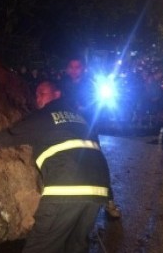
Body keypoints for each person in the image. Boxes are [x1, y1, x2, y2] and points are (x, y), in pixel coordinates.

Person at [0, 81, 111, 253]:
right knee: (76, 245)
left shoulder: (46, 115)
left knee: (40, 246)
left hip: (67, 190)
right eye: (37, 94)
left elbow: (15, 133)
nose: (38, 97)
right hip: (99, 190)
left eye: (43, 93)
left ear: (57, 94)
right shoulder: (81, 119)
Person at [59, 57, 121, 218]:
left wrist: (84, 109)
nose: (74, 70)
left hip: (88, 130)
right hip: (67, 130)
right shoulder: (61, 84)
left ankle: (109, 202)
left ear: (83, 68)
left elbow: (97, 106)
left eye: (77, 67)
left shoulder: (91, 86)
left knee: (97, 163)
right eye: (71, 66)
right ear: (67, 69)